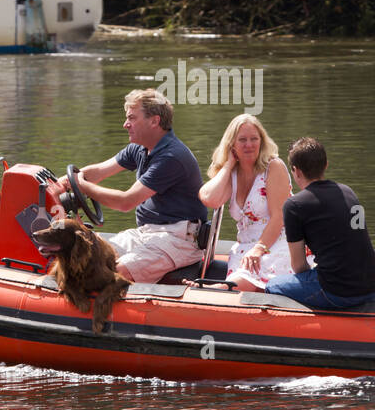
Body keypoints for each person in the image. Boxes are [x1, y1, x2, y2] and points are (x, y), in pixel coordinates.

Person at [60, 89, 208, 283]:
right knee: (87, 256)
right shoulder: (140, 148)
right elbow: (98, 171)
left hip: (178, 240)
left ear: (154, 121)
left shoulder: (171, 157)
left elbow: (125, 202)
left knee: (115, 271)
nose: (125, 124)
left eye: (131, 118)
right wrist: (59, 184)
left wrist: (82, 186)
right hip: (147, 233)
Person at [264, 137, 375, 309]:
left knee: (273, 286)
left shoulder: (294, 205)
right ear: (326, 164)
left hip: (338, 291)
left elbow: (298, 266)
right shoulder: (347, 191)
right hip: (372, 286)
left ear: (296, 171)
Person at [198, 114, 302, 291]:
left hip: (276, 243)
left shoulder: (273, 167)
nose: (249, 145)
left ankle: (215, 290)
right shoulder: (232, 174)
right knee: (239, 280)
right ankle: (217, 291)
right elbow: (210, 199)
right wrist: (229, 164)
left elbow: (279, 217)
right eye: (242, 140)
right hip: (244, 248)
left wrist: (259, 249)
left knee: (239, 283)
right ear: (232, 145)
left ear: (262, 141)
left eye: (254, 139)